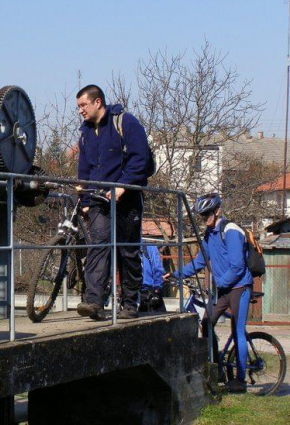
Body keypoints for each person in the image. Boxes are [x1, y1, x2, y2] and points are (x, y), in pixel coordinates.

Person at [75, 84, 151, 321]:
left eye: (83, 105)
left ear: (97, 102)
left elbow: (141, 158)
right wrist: (86, 199)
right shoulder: (86, 133)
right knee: (98, 246)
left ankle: (130, 302)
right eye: (78, 107)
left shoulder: (125, 123)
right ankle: (94, 301)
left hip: (127, 200)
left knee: (127, 251)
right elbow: (85, 169)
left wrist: (123, 185)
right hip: (100, 201)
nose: (80, 111)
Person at [168, 193, 253, 393]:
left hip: (239, 287)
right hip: (223, 290)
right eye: (201, 215)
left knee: (237, 330)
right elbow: (200, 262)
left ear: (217, 211)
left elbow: (237, 266)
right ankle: (217, 370)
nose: (204, 218)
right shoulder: (208, 235)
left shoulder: (230, 230)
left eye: (207, 214)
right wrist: (176, 274)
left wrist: (218, 283)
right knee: (207, 323)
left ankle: (240, 380)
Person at [139, 244, 166, 313]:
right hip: (138, 292)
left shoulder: (148, 247)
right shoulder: (149, 247)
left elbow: (158, 269)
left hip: (148, 291)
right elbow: (158, 268)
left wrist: (156, 288)